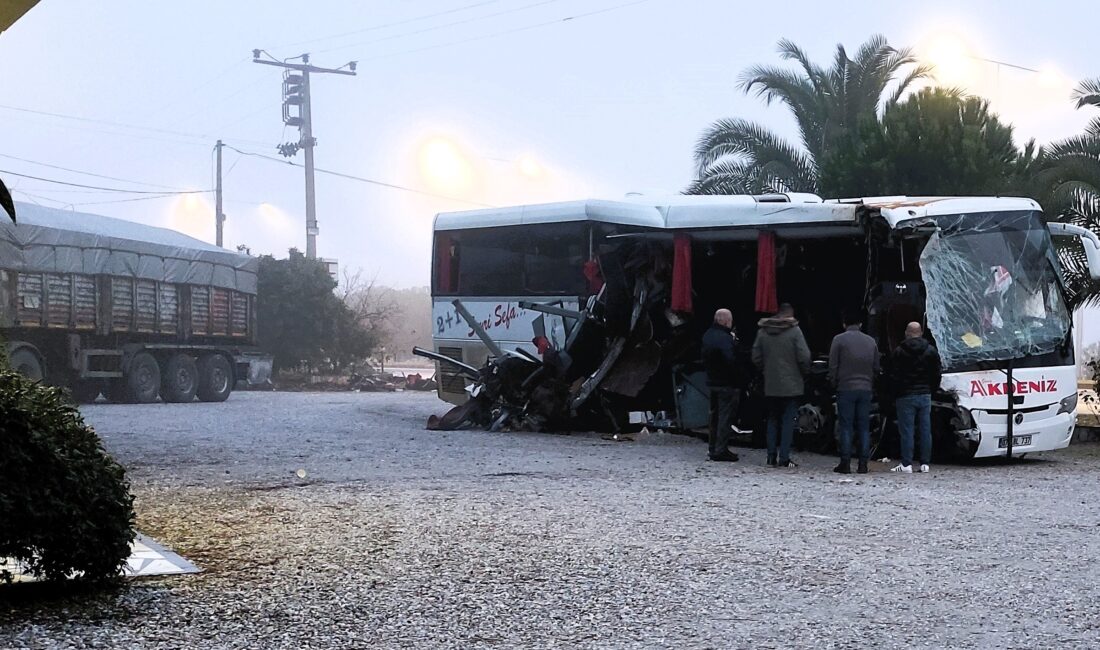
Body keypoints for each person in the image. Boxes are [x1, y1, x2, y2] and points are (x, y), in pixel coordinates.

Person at [752, 303, 811, 468]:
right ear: (790, 314)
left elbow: (756, 356)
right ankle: (784, 457)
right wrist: (804, 372)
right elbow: (804, 357)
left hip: (770, 384)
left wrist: (766, 371)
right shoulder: (795, 331)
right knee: (788, 421)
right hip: (792, 384)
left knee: (772, 419)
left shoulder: (763, 331)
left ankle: (771, 456)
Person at [828, 309, 880, 475]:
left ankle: (845, 463)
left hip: (845, 388)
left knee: (846, 426)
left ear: (844, 323)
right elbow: (876, 367)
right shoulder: (871, 342)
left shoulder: (838, 340)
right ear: (861, 324)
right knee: (864, 427)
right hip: (865, 389)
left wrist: (834, 383)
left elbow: (833, 366)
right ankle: (863, 464)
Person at [888, 322, 942, 474]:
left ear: (906, 333)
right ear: (921, 332)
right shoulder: (931, 350)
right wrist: (932, 389)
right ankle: (925, 463)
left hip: (905, 395)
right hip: (924, 394)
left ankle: (907, 463)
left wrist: (895, 392)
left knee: (907, 430)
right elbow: (937, 373)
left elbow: (893, 375)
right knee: (925, 429)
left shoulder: (899, 351)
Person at [701, 309, 742, 462]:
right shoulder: (725, 338)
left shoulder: (708, 335)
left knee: (714, 417)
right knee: (725, 417)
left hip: (712, 381)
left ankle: (712, 448)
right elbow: (731, 360)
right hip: (726, 383)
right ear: (725, 321)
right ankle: (721, 449)